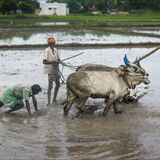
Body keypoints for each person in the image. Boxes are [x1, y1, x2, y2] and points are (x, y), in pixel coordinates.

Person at [43, 38, 61, 105]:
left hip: (56, 69)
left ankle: (54, 99)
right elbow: (44, 61)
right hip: (50, 70)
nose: (52, 44)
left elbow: (58, 59)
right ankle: (48, 102)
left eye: (53, 43)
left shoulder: (56, 50)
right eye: (51, 43)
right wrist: (53, 62)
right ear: (48, 44)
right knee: (50, 86)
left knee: (58, 84)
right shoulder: (46, 50)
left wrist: (60, 62)